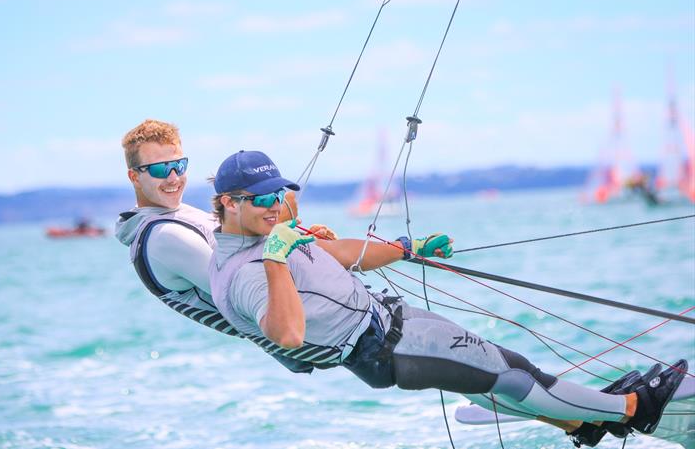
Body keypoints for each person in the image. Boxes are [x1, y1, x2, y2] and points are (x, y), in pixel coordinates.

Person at [207, 149, 688, 447]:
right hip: (384, 348)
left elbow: (338, 252)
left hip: (394, 322)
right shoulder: (245, 271)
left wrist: (404, 248)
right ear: (230, 202)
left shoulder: (268, 233)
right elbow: (288, 335)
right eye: (262, 199)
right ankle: (633, 408)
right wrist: (274, 260)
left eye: (280, 195)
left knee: (511, 369)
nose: (276, 208)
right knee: (512, 377)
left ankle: (581, 425)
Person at [113, 119, 427, 373]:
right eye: (158, 170)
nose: (173, 177)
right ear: (134, 177)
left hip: (330, 322)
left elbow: (252, 248)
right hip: (321, 335)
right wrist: (292, 247)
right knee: (445, 359)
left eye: (179, 165)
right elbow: (240, 283)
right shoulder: (165, 236)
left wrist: (305, 246)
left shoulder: (177, 212)